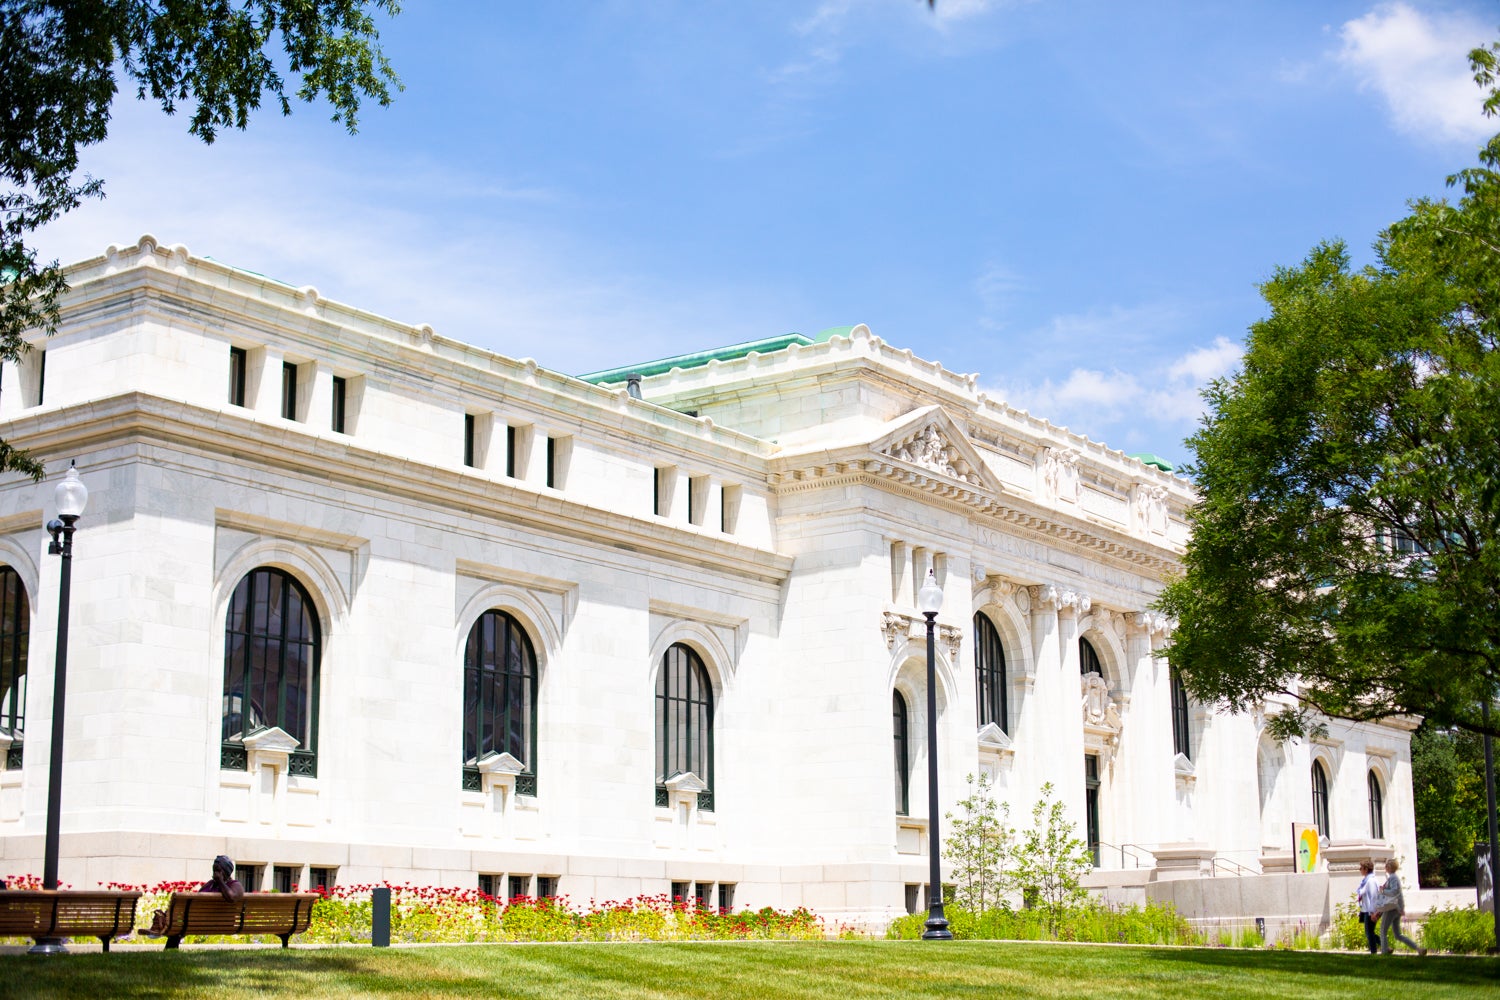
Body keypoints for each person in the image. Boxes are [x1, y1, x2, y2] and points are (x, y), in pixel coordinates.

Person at [143, 855, 245, 936]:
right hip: (197, 920)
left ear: (225, 871)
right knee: (171, 917)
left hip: (215, 922)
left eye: (217, 870)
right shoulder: (210, 884)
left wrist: (220, 881)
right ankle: (163, 922)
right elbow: (194, 900)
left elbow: (232, 898)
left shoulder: (235, 885)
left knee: (176, 922)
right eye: (214, 870)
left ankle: (163, 925)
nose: (214, 873)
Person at [1374, 858, 1425, 956]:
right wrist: (1401, 908)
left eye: (1386, 866)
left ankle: (1384, 952)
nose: (1385, 868)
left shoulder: (1392, 878)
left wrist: (1383, 891)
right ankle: (1418, 948)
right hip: (1397, 908)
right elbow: (1399, 894)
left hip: (1391, 908)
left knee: (1382, 931)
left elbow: (1394, 892)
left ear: (1389, 867)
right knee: (1398, 935)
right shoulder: (1393, 878)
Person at [1356, 860, 1381, 954]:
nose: (1360, 870)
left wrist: (1372, 913)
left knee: (1369, 932)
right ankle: (1384, 946)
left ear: (1366, 869)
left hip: (1370, 911)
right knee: (1369, 932)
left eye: (1361, 868)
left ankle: (1374, 952)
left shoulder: (1370, 881)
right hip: (1366, 910)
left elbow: (1373, 897)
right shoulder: (1366, 880)